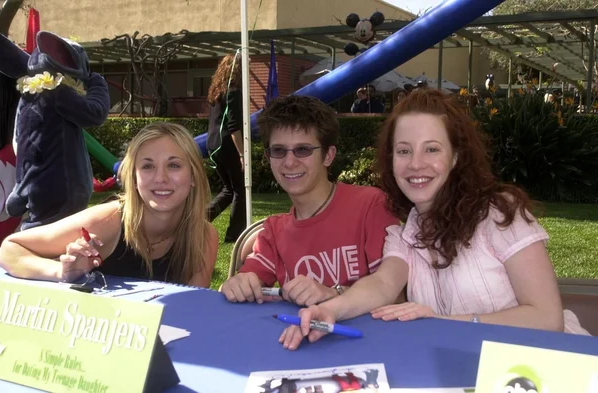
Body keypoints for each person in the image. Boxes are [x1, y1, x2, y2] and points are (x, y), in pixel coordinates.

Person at [279, 89, 589, 350]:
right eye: (403, 151)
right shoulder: (406, 233)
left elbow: (548, 319)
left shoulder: (500, 213)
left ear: (455, 156)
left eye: (431, 149)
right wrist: (329, 310)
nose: (416, 164)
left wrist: (442, 322)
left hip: (547, 368)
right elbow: (383, 284)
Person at [220, 95, 401, 306]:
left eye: (302, 150)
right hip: (298, 337)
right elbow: (241, 283)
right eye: (278, 150)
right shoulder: (273, 232)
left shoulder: (370, 205)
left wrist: (335, 293)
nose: (289, 162)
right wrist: (238, 284)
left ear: (328, 156)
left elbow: (397, 296)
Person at [0, 122, 218, 287]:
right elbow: (10, 249)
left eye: (174, 165)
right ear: (133, 177)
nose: (160, 178)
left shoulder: (204, 238)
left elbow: (194, 310)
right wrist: (62, 272)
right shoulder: (108, 222)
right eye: (147, 167)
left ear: (194, 176)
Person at [206, 53, 247, 243]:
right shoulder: (233, 91)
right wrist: (242, 154)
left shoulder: (216, 92)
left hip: (212, 144)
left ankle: (200, 221)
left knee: (229, 189)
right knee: (240, 189)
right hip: (226, 144)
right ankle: (234, 235)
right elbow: (233, 125)